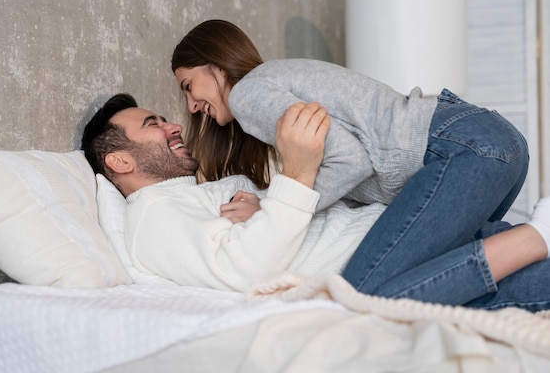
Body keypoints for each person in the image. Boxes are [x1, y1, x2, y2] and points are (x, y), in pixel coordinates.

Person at [170, 19, 550, 306]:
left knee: (363, 294)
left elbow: (350, 159)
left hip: (459, 148)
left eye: (189, 86)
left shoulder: (247, 95)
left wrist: (274, 207)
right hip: (487, 140)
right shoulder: (273, 80)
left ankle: (540, 233)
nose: (191, 106)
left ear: (216, 64)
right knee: (448, 280)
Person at [82, 93, 550, 312]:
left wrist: (268, 205)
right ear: (120, 161)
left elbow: (272, 234)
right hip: (406, 256)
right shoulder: (153, 217)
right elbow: (247, 270)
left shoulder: (199, 194)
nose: (172, 126)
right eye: (152, 125)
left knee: (370, 303)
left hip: (400, 243)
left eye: (165, 118)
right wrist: (297, 175)